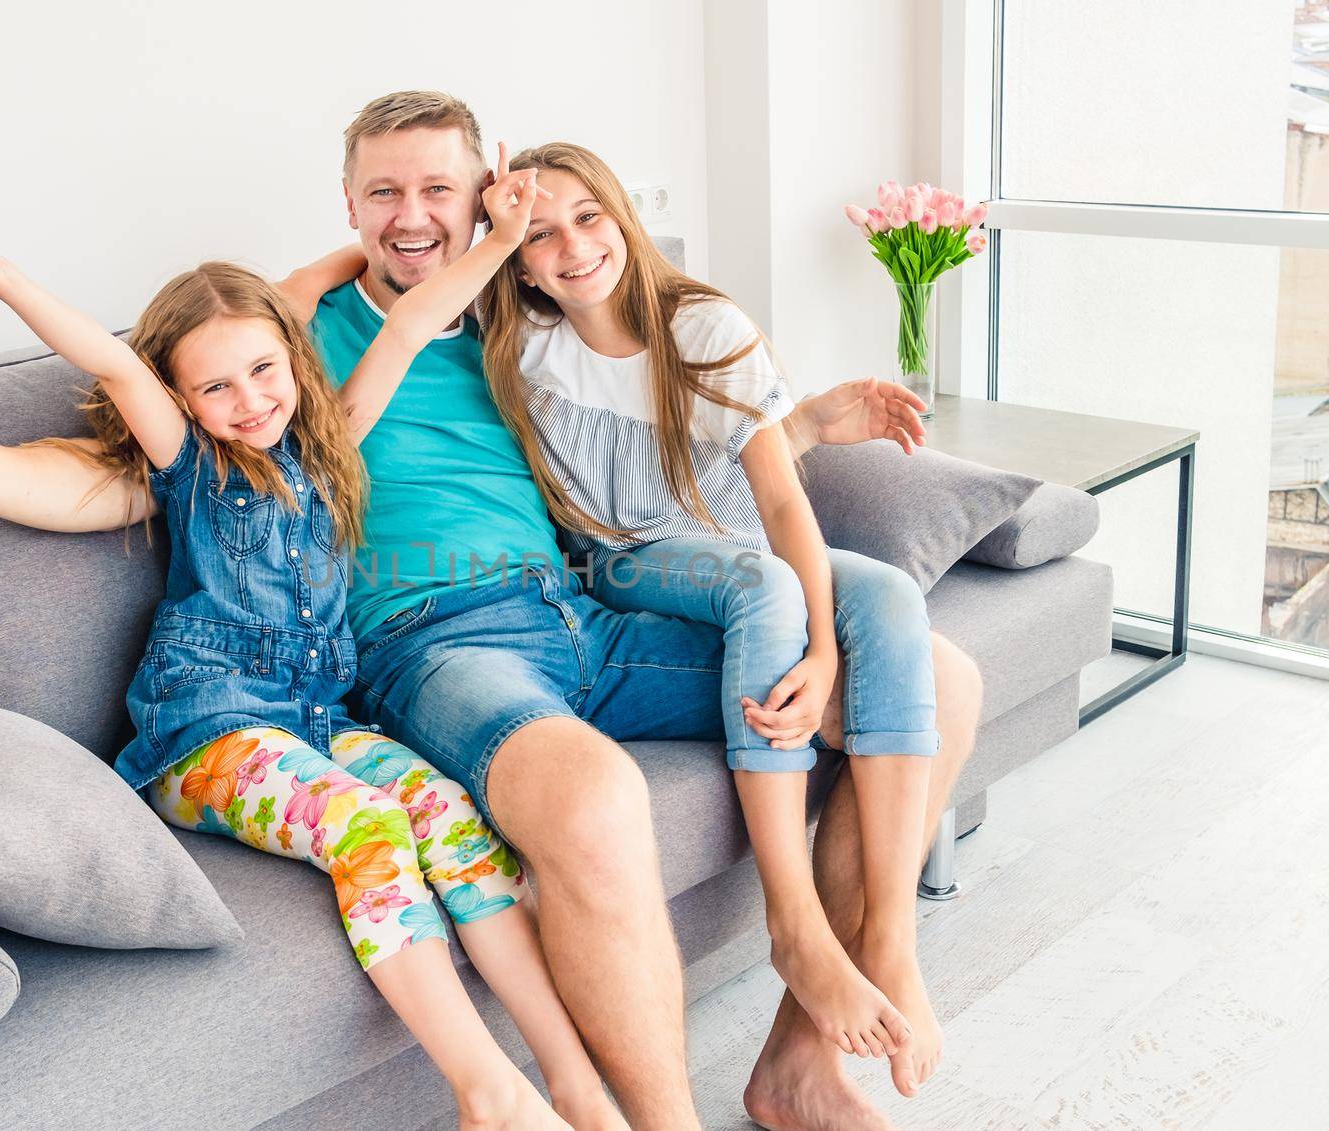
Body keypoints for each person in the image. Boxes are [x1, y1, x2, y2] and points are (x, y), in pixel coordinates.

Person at [0, 175, 628, 1131]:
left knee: (446, 812)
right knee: (367, 827)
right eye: (216, 386)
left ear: (297, 364)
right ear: (183, 400)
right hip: (205, 736)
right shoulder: (193, 466)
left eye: (266, 370)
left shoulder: (333, 446)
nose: (248, 401)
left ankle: (568, 1081)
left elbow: (406, 325)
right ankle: (489, 1094)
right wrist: (8, 280)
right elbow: (111, 361)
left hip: (314, 721)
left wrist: (498, 239)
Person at [312, 92, 980, 1131]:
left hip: (582, 614)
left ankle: (802, 1066)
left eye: (438, 189)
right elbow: (186, 393)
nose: (411, 216)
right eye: (382, 193)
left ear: (486, 207)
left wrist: (795, 425)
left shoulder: (514, 312)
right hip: (433, 641)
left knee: (939, 674)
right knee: (595, 799)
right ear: (345, 203)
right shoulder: (293, 329)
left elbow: (640, 487)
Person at [479, 139, 947, 1100]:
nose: (571, 246)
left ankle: (892, 939)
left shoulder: (703, 325)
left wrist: (825, 647)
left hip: (730, 543)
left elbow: (779, 506)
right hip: (624, 561)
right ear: (515, 256)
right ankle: (794, 921)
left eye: (589, 217)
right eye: (540, 232)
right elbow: (396, 271)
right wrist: (489, 220)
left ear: (623, 215)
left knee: (890, 598)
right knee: (758, 586)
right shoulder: (517, 344)